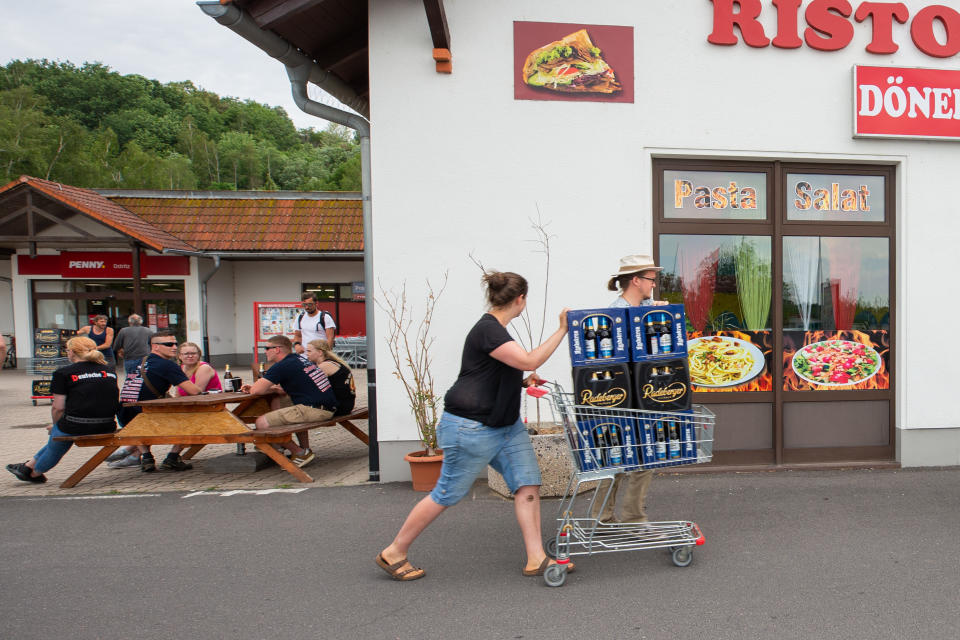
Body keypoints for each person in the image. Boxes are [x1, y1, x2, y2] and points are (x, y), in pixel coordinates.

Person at [376, 271, 571, 581]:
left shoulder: (497, 331)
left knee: (528, 484)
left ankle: (536, 557)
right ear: (520, 300)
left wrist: (520, 381)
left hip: (505, 426)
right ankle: (394, 552)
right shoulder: (488, 330)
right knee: (446, 493)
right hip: (471, 427)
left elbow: (492, 371)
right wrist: (563, 329)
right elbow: (528, 359)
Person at [593, 254, 669, 526]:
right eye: (651, 279)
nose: (654, 284)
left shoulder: (644, 307)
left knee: (623, 456)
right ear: (636, 280)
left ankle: (602, 517)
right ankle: (631, 519)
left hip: (639, 393)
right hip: (623, 395)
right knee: (634, 455)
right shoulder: (615, 314)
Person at [6, 337, 119, 483]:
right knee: (60, 431)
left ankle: (34, 473)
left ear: (71, 352)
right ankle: (27, 466)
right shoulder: (109, 370)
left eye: (67, 350)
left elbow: (58, 407)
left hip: (78, 424)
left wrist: (56, 425)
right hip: (107, 424)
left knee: (58, 434)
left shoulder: (63, 373)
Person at [106, 330, 202, 472]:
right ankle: (172, 458)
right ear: (155, 346)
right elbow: (194, 391)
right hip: (149, 417)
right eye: (169, 344)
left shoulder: (138, 362)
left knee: (142, 414)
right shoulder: (167, 365)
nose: (174, 347)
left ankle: (146, 457)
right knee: (196, 420)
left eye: (175, 343)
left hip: (125, 416)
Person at [240, 335, 338, 468]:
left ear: (277, 349)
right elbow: (282, 391)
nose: (265, 351)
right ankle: (302, 449)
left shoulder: (282, 365)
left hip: (314, 409)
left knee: (261, 422)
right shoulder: (299, 359)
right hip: (326, 407)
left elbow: (256, 391)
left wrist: (254, 388)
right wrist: (272, 389)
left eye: (267, 348)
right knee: (280, 403)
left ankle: (299, 452)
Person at [305, 339, 356, 416]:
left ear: (320, 352)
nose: (306, 354)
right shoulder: (332, 362)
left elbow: (307, 384)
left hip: (339, 407)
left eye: (309, 351)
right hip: (346, 404)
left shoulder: (325, 366)